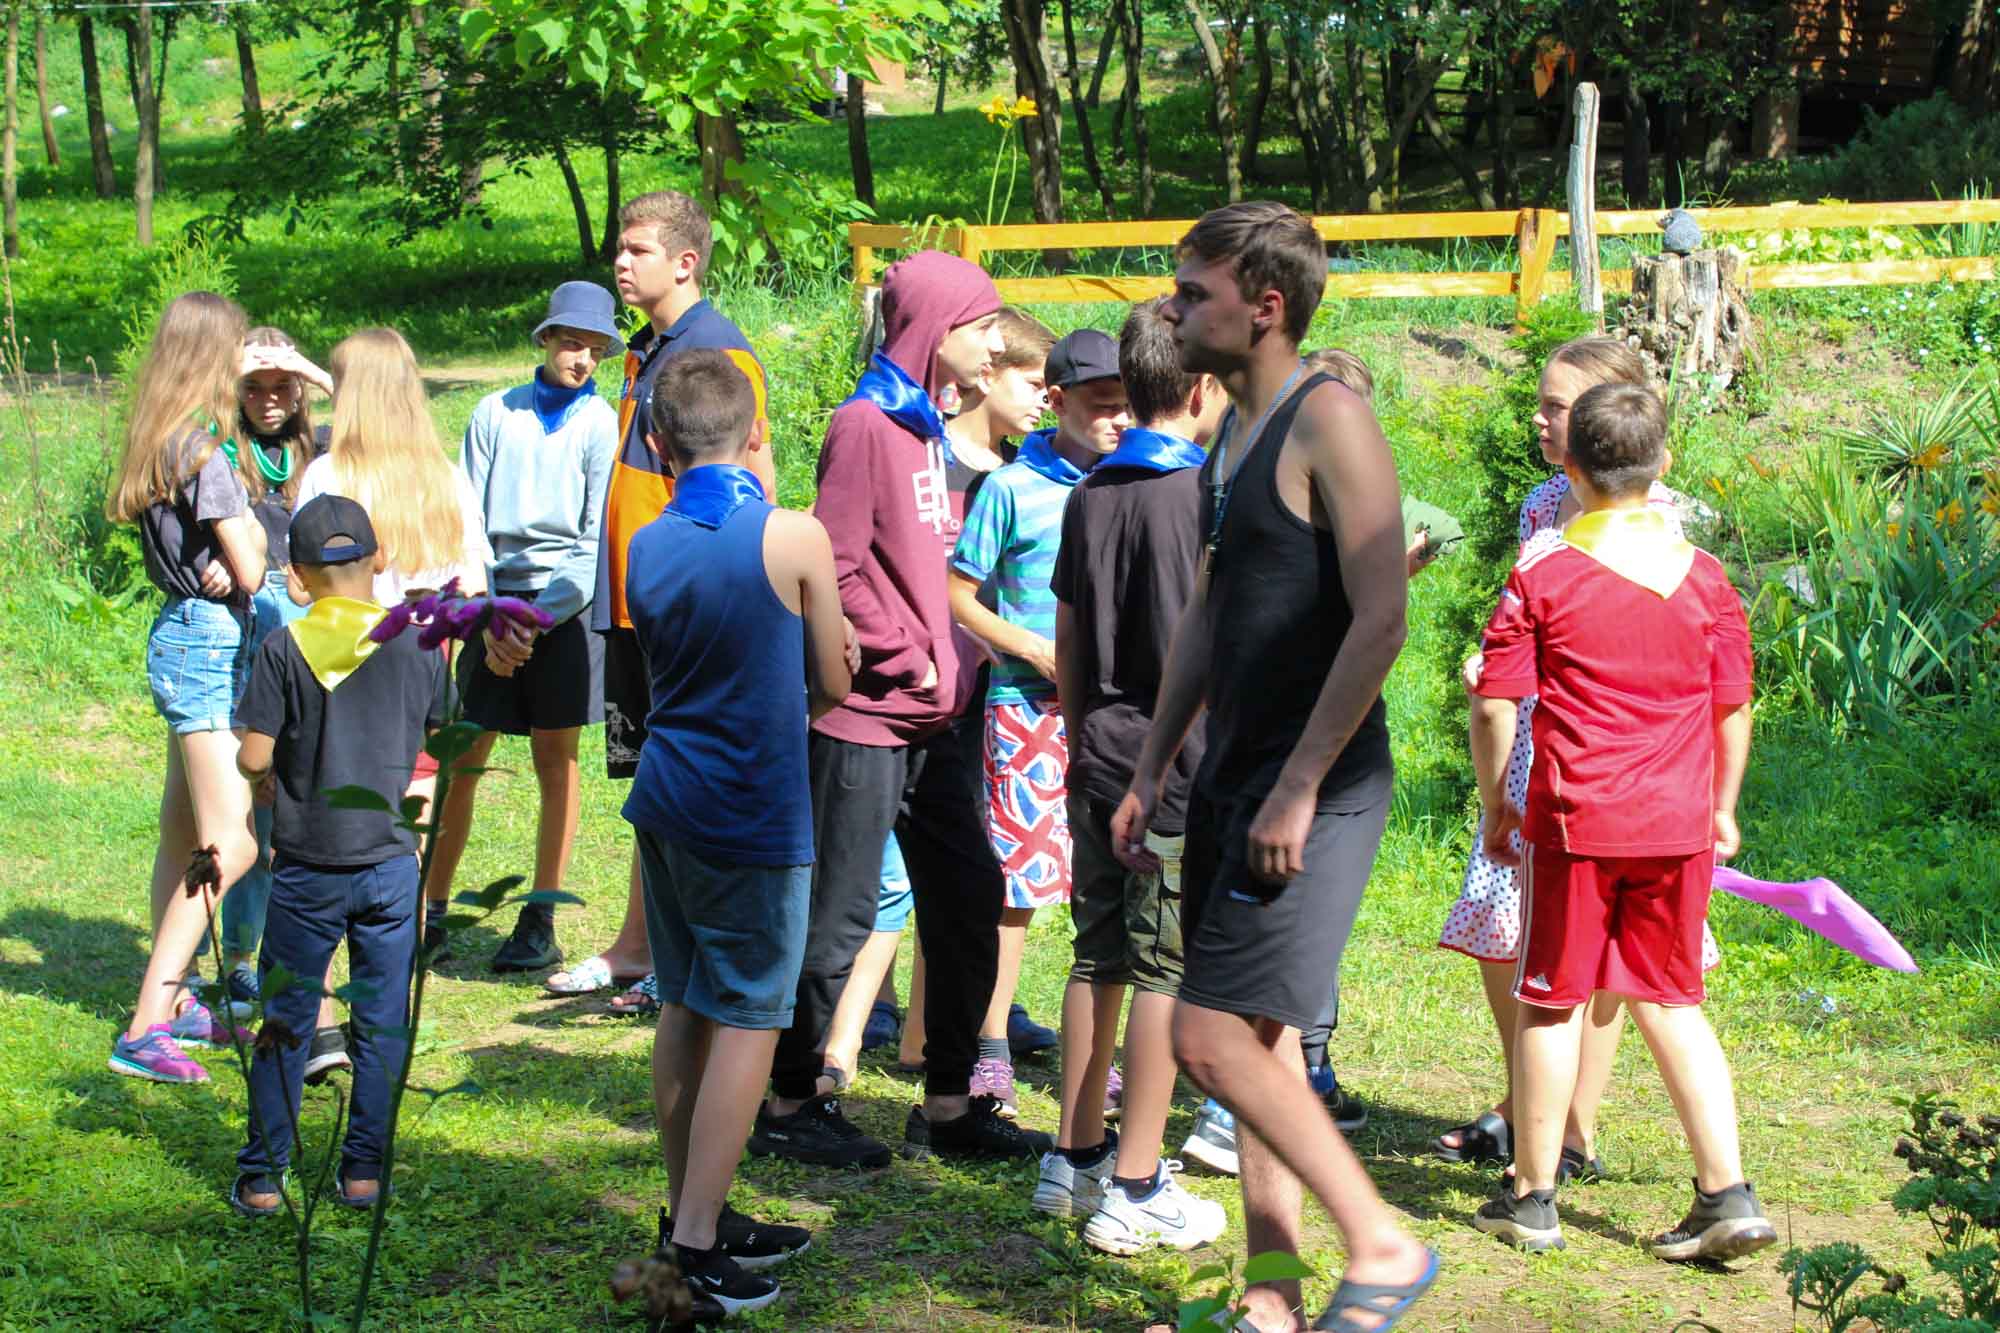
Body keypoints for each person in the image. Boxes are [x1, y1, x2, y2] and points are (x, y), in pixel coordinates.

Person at [1112, 202, 1437, 1332]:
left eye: (1191, 291)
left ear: (1264, 305)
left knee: (1205, 1036)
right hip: (1232, 776)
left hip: (1316, 785)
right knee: (1254, 1042)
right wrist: (1152, 764)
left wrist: (1300, 784)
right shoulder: (1233, 431)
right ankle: (1271, 1294)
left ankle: (1383, 1242)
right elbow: (1209, 614)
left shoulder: (1328, 417)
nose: (1171, 309)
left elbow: (1381, 617)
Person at [749, 250, 1051, 1167]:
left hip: (937, 722)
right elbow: (833, 564)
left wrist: (956, 648)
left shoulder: (925, 425)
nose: (994, 344)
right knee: (837, 917)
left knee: (969, 896)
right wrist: (904, 649)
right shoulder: (864, 423)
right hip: (868, 720)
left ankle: (951, 1103)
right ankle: (789, 1101)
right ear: (935, 326)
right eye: (982, 327)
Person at [1466, 381, 1775, 1262]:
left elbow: (1494, 702)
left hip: (1576, 820)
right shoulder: (1706, 576)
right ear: (1663, 463)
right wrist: (1722, 806)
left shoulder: (1543, 571)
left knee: (1550, 1000)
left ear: (1570, 467)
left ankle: (1532, 1197)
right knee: (1672, 999)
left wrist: (1498, 802)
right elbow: (1733, 704)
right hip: (1677, 824)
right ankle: (1726, 1191)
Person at [1432, 335, 1717, 1183]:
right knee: (1508, 934)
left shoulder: (1663, 517)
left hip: (1616, 756)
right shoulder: (1541, 503)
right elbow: (1526, 609)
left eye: (1556, 406)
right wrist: (1495, 661)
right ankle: (1532, 1103)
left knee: (1599, 953)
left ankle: (1568, 1129)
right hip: (1531, 742)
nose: (1540, 418)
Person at [621, 349, 849, 1317]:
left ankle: (693, 1208)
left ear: (658, 443)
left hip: (666, 799)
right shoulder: (793, 535)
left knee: (685, 1004)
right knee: (753, 1015)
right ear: (756, 432)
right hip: (750, 808)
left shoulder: (645, 543)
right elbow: (833, 681)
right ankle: (695, 1243)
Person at [531, 189, 775, 1000]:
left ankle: (674, 955)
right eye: (620, 249)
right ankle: (640, 947)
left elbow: (754, 479)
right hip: (636, 606)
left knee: (680, 779)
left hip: (684, 608)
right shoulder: (650, 348)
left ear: (685, 261)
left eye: (637, 250)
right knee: (652, 778)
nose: (621, 263)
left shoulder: (718, 353)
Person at [820, 307, 1057, 1082]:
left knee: (962, 875)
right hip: (904, 696)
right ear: (986, 374)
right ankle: (839, 1044)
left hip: (982, 697)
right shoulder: (922, 454)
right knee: (882, 880)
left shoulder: (1019, 472)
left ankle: (945, 1038)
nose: (1045, 397)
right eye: (1033, 380)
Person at [1039, 297, 1228, 1254]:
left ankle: (1071, 1156)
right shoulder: (1198, 497)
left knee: (1096, 953)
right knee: (1163, 966)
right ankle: (1137, 1181)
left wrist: (1081, 739)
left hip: (1097, 750)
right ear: (1200, 389)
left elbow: (1069, 637)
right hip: (1172, 762)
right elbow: (1202, 646)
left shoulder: (1090, 491)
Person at [229, 495, 446, 1218]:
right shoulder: (418, 642)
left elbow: (253, 755)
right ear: (378, 559)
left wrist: (263, 773)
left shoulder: (283, 649)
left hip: (308, 868)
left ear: (296, 576)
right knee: (382, 1021)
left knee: (287, 1019)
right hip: (390, 863)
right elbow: (442, 738)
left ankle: (264, 1176)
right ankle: (363, 1173)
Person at [419, 282, 622, 987]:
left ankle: (541, 916)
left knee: (554, 759)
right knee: (463, 755)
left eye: (594, 349)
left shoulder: (601, 423)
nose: (581, 358)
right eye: (571, 342)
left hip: (563, 609)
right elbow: (465, 518)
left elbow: (593, 539)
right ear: (545, 340)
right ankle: (431, 909)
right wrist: (488, 611)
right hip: (491, 600)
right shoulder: (493, 413)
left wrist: (535, 620)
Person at [948, 326, 1128, 1114]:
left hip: (1112, 712)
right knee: (1016, 886)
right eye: (1101, 405)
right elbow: (957, 592)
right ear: (1056, 401)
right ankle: (990, 1047)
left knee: (1104, 882)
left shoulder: (1132, 482)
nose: (1116, 420)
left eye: (1126, 406)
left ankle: (1094, 1050)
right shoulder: (1011, 489)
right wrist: (1027, 646)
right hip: (1027, 707)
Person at [294, 327, 489, 1038]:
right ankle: (384, 1009)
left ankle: (316, 1013)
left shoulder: (326, 476)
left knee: (319, 839)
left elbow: (302, 588)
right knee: (406, 838)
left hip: (336, 672)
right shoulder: (445, 477)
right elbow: (474, 590)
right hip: (420, 677)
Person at [104, 291, 262, 1084]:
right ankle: (145, 1024)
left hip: (179, 632)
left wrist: (229, 555)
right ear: (212, 355)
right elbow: (255, 566)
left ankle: (182, 996)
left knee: (182, 833)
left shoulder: (160, 436)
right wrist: (246, 543)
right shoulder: (203, 451)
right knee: (234, 840)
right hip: (207, 648)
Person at [215, 327, 335, 1010]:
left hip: (316, 632)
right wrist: (226, 369)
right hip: (253, 635)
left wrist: (309, 370)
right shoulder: (223, 451)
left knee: (308, 790)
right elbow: (181, 424)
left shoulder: (318, 449)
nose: (267, 399)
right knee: (256, 805)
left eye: (279, 386)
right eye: (252, 386)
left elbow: (382, 423)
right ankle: (239, 956)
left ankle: (301, 950)